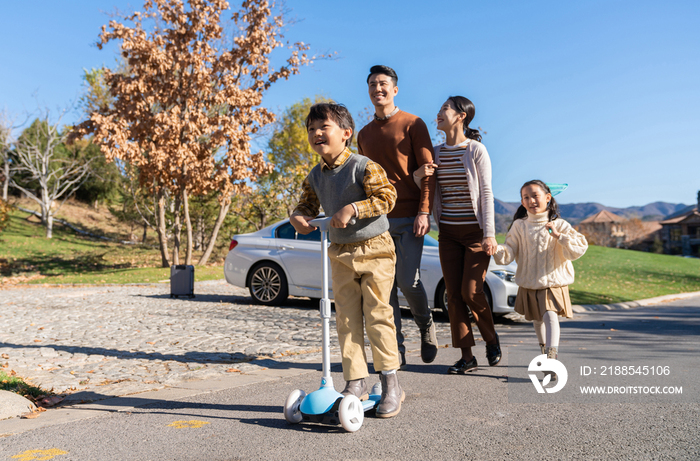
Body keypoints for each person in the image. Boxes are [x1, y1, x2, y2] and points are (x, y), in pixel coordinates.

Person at [290, 102, 405, 418]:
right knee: (346, 320)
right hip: (340, 253)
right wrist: (299, 217)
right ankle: (356, 382)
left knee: (378, 316)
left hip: (375, 250)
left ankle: (390, 384)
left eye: (323, 127)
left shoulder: (363, 165)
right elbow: (306, 206)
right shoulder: (315, 175)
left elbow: (387, 198)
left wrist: (353, 208)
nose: (316, 133)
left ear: (345, 133)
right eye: (311, 129)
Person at [357, 65, 438, 369]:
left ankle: (425, 323)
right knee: (384, 289)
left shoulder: (413, 124)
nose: (378, 89)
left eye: (383, 84)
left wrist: (424, 210)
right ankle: (396, 352)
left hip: (410, 217)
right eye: (372, 85)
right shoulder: (364, 135)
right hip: (377, 221)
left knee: (407, 281)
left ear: (395, 89)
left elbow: (429, 172)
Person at [414, 96, 501, 374]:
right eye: (439, 109)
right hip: (449, 234)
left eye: (444, 109)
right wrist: (419, 174)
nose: (438, 113)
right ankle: (467, 356)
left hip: (476, 234)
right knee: (453, 295)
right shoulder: (436, 152)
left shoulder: (475, 150)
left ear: (461, 116)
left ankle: (491, 338)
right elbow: (423, 185)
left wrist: (490, 234)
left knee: (471, 291)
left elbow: (486, 193)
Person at [493, 180, 588, 376]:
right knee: (537, 320)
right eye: (526, 197)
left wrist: (559, 236)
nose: (531, 200)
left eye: (535, 195)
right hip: (529, 281)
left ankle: (552, 359)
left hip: (553, 281)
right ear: (522, 202)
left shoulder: (559, 224)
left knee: (550, 316)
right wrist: (497, 249)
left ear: (547, 197)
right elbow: (509, 252)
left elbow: (579, 248)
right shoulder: (519, 226)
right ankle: (545, 355)